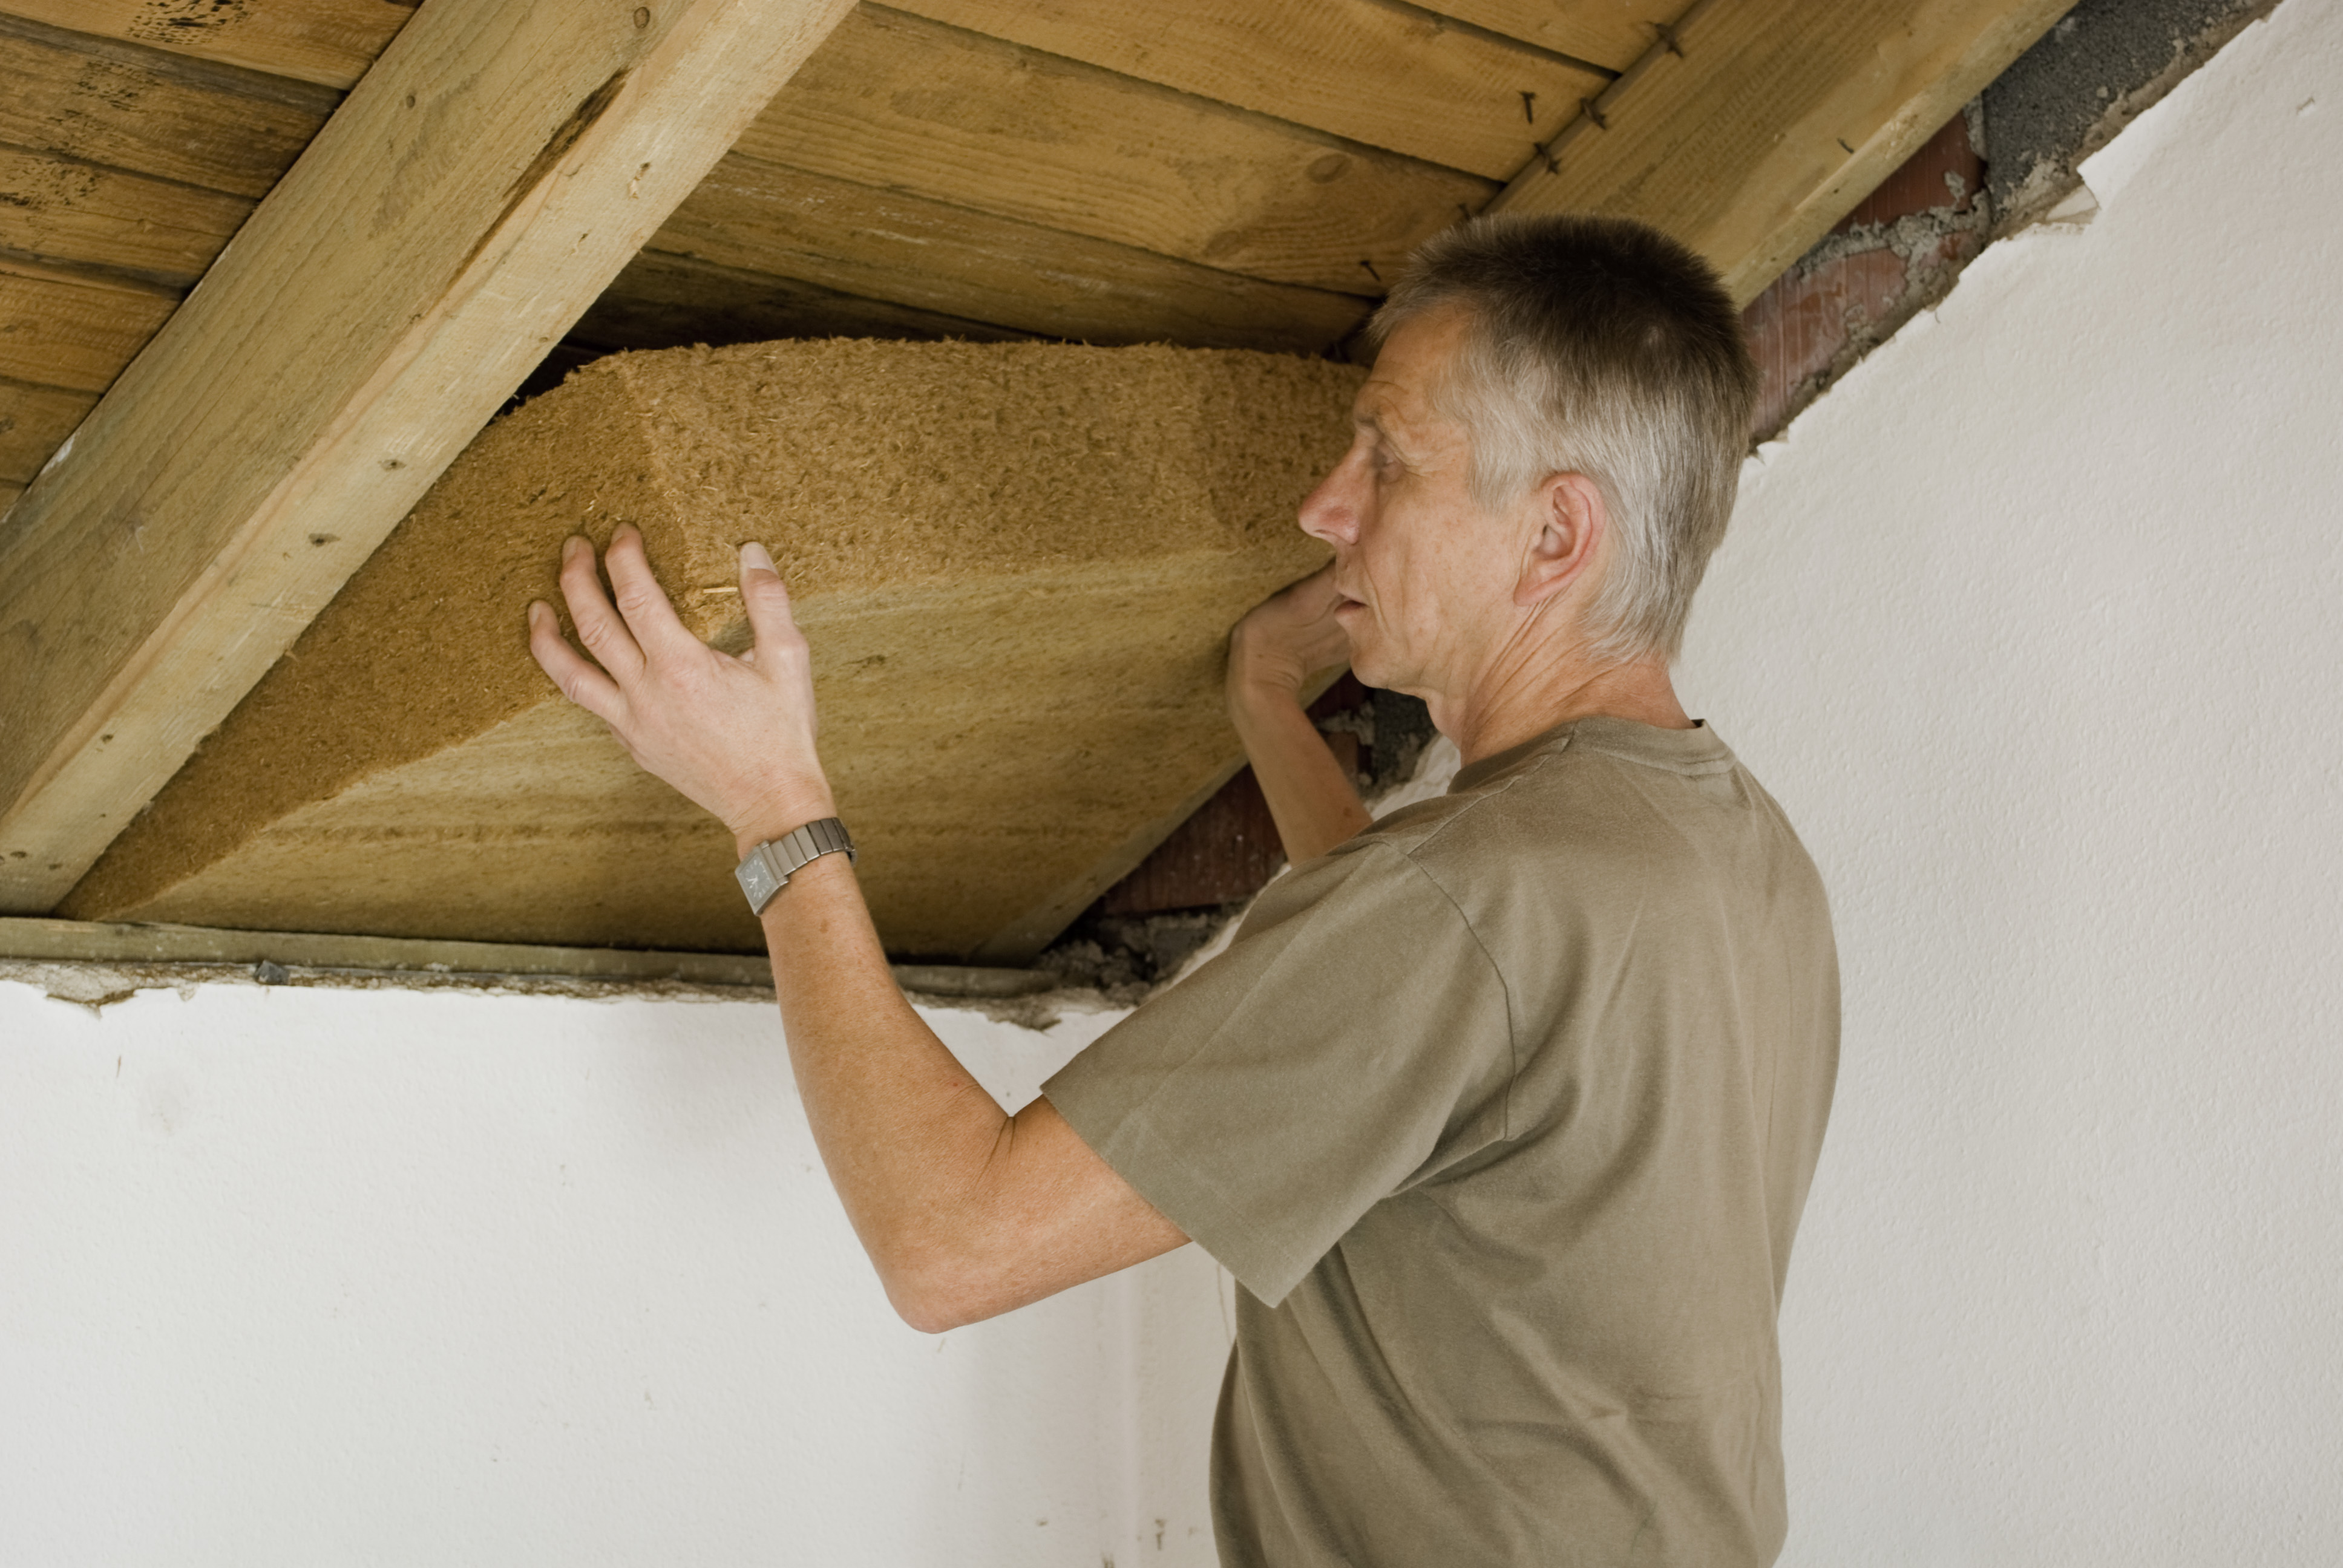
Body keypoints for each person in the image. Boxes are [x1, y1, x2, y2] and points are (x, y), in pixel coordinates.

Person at [528, 212, 1838, 1566]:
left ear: (1555, 535)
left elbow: (951, 1243)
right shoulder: (1731, 850)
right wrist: (1265, 696)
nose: (1324, 508)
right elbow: (1420, 1033)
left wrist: (771, 805)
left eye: (1387, 461)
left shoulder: (1470, 897)